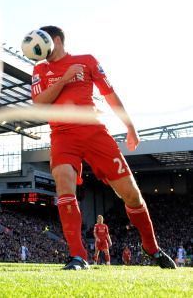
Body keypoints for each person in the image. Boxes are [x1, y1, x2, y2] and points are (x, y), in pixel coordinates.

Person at [30, 25, 176, 270]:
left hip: (93, 131)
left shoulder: (86, 61)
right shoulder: (40, 69)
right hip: (62, 134)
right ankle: (78, 256)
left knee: (130, 193)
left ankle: (151, 248)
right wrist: (64, 79)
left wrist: (130, 126)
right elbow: (39, 103)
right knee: (63, 182)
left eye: (43, 41)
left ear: (56, 40)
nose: (39, 48)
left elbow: (109, 93)